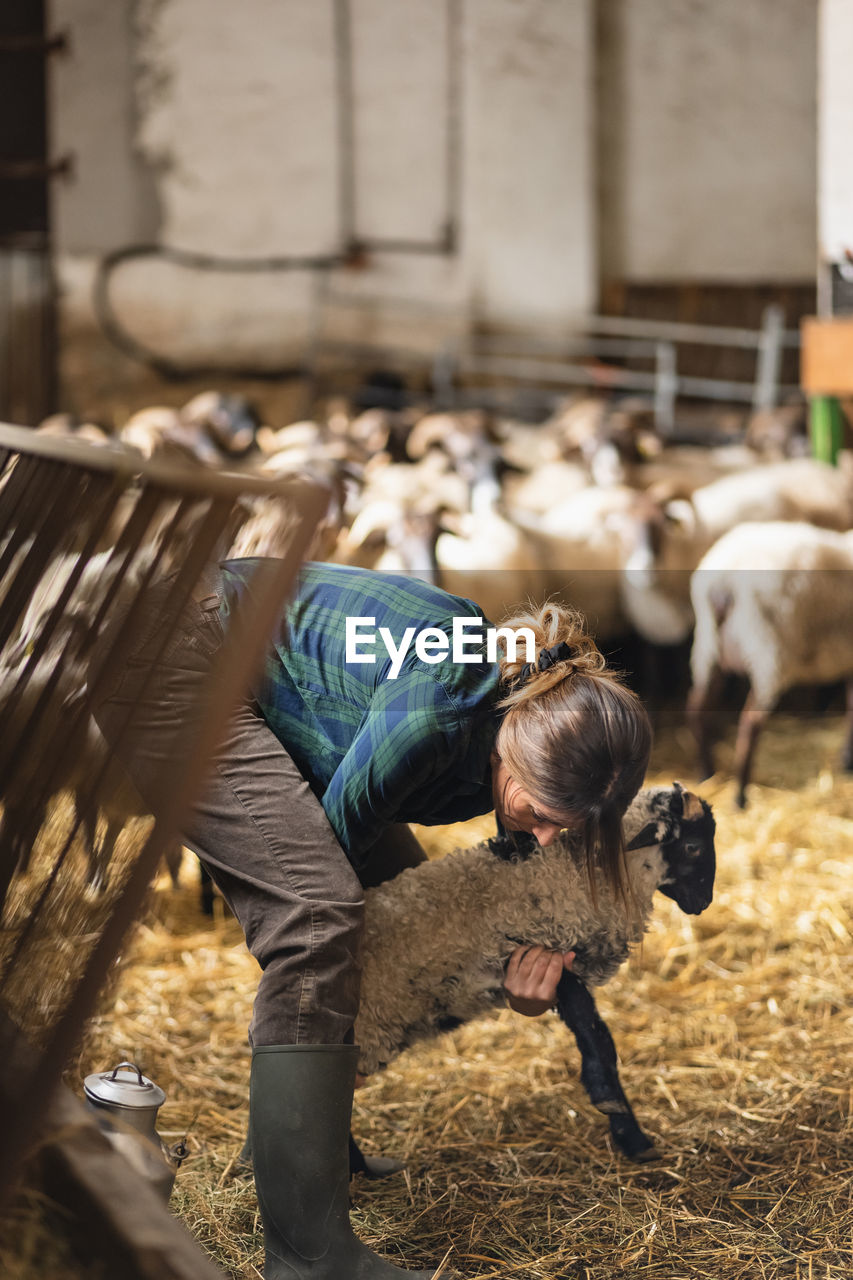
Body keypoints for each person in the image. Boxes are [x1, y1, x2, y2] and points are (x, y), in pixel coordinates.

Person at [92, 558, 652, 1280]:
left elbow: (440, 902)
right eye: (539, 816)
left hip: (264, 678)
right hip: (169, 652)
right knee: (318, 920)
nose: (546, 838)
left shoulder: (535, 711)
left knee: (405, 911)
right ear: (511, 746)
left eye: (567, 827)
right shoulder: (437, 715)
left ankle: (296, 1144)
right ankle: (308, 1255)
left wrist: (516, 968)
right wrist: (346, 979)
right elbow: (318, 878)